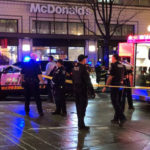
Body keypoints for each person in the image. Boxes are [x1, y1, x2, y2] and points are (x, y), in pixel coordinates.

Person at [102, 54, 126, 126]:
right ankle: (116, 118)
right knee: (118, 102)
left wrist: (105, 86)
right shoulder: (122, 66)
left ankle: (122, 117)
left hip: (114, 86)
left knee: (114, 102)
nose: (111, 59)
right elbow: (123, 76)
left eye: (112, 57)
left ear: (114, 58)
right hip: (121, 86)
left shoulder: (113, 65)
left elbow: (110, 77)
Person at [72, 54, 95, 130]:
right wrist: (92, 91)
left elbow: (73, 79)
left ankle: (80, 124)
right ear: (83, 60)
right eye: (85, 59)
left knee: (78, 107)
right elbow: (87, 80)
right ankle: (81, 125)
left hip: (76, 90)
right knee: (83, 107)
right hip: (82, 90)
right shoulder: (83, 68)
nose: (86, 60)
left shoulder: (75, 67)